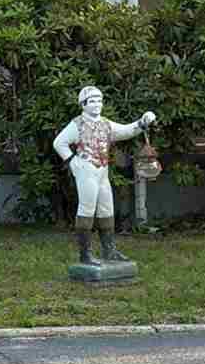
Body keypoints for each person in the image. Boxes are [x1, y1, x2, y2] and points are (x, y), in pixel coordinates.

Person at [51, 84, 154, 266]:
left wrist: (141, 122)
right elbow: (59, 143)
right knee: (87, 208)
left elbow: (125, 131)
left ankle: (109, 250)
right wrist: (72, 161)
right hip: (86, 169)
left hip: (102, 171)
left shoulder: (105, 123)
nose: (97, 104)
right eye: (92, 101)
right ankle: (85, 254)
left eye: (99, 100)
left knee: (107, 208)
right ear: (83, 104)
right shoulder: (77, 124)